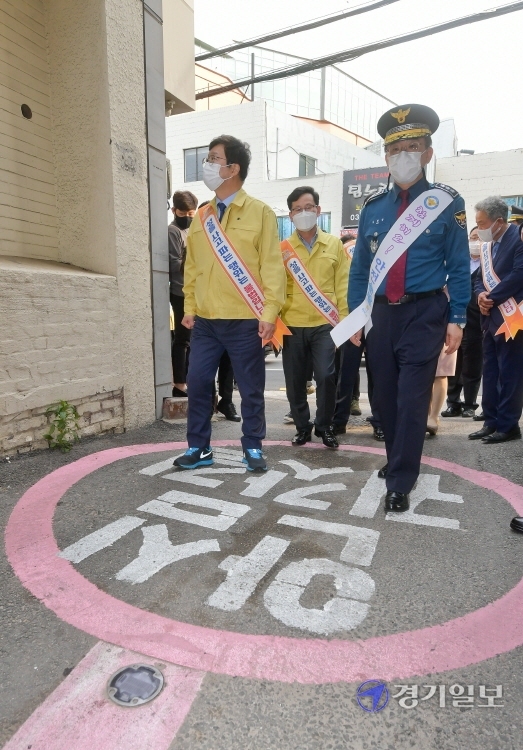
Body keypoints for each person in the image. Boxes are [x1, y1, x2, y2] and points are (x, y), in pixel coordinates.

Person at [347, 104, 470, 512]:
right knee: (384, 397)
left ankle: (401, 479)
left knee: (413, 397)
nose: (403, 155)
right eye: (394, 149)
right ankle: (397, 459)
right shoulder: (373, 209)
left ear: (428, 153)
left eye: (412, 146)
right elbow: (361, 270)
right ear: (385, 156)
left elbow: (457, 266)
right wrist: (356, 317)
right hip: (381, 314)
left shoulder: (444, 202)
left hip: (424, 312)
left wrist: (457, 318)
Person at [173, 135, 286, 471]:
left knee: (251, 390)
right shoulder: (202, 216)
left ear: (233, 168)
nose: (207, 165)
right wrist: (189, 307)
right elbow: (191, 268)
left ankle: (252, 446)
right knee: (197, 385)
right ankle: (199, 448)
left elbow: (271, 267)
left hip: (245, 321)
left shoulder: (260, 213)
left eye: (213, 159)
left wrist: (269, 313)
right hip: (206, 322)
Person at [280, 186, 348, 448]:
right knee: (295, 381)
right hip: (292, 324)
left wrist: (344, 319)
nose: (303, 212)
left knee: (326, 376)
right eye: (298, 209)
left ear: (318, 210)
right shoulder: (283, 250)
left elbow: (343, 284)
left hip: (325, 324)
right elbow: (276, 288)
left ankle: (324, 426)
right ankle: (301, 426)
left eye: (308, 207)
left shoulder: (333, 244)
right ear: (290, 215)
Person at [469, 196, 523, 444]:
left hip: (512, 316)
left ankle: (508, 424)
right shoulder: (488, 245)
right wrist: (481, 294)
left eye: (482, 223)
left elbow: (519, 275)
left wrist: (492, 297)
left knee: (509, 372)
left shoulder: (518, 237)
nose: (479, 229)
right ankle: (490, 421)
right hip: (490, 317)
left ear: (499, 222)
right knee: (489, 371)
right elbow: (480, 276)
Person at [332, 235, 384, 440]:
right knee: (346, 372)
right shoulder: (342, 252)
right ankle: (339, 420)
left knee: (377, 373)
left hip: (377, 316)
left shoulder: (381, 252)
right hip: (352, 316)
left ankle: (379, 420)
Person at [441, 226, 484, 418]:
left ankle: (469, 404)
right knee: (453, 361)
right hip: (455, 318)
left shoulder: (489, 262)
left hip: (477, 319)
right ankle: (453, 402)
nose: (475, 242)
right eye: (472, 237)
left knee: (472, 362)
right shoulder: (458, 262)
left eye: (478, 238)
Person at [169, 190, 198, 397]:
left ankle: (186, 380)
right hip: (180, 292)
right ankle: (179, 384)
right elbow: (174, 263)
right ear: (174, 210)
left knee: (191, 340)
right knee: (182, 339)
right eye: (183, 213)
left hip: (193, 292)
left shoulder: (191, 231)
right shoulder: (173, 231)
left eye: (191, 214)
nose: (187, 217)